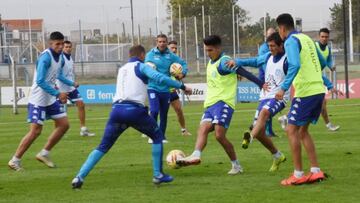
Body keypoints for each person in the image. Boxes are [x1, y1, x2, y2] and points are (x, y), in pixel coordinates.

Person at [71, 45, 192, 189]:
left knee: (103, 147)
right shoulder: (141, 66)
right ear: (142, 55)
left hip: (116, 111)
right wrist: (182, 86)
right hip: (134, 111)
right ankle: (158, 174)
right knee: (158, 137)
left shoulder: (122, 69)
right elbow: (159, 77)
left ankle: (79, 177)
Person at [176, 35, 265, 175]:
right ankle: (196, 155)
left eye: (210, 50)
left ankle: (236, 165)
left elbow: (243, 71)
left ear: (218, 48)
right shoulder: (211, 62)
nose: (207, 53)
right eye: (206, 50)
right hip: (210, 104)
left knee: (219, 135)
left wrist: (261, 84)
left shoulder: (224, 62)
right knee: (203, 128)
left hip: (224, 103)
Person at [275, 13, 341, 186]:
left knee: (291, 130)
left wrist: (283, 87)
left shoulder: (290, 41)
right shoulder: (307, 39)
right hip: (318, 90)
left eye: (278, 30)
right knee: (303, 132)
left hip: (305, 93)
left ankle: (297, 174)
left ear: (282, 28)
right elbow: (320, 62)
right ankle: (315, 171)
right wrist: (326, 83)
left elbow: (295, 65)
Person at [8, 31, 77, 171]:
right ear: (50, 44)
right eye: (57, 44)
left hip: (50, 98)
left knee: (64, 124)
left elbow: (57, 75)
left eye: (62, 43)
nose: (60, 46)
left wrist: (69, 84)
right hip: (38, 99)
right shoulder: (45, 58)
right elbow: (40, 81)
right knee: (35, 132)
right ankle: (15, 160)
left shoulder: (61, 58)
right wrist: (58, 93)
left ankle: (44, 153)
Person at [228, 32, 288, 172]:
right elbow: (254, 61)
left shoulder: (287, 59)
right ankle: (277, 155)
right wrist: (237, 61)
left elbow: (295, 72)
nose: (271, 48)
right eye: (269, 46)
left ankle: (250, 136)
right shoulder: (267, 57)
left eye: (273, 46)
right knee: (261, 132)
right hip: (265, 96)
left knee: (265, 113)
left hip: (279, 97)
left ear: (281, 45)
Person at [277, 28, 341, 131]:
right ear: (319, 37)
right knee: (296, 129)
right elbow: (295, 64)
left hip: (314, 79)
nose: (324, 39)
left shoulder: (327, 49)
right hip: (306, 82)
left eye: (326, 37)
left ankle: (286, 118)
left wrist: (330, 66)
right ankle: (328, 124)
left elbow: (326, 62)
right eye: (322, 36)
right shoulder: (311, 44)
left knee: (301, 130)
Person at [146, 34, 188, 143]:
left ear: (166, 42)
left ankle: (161, 136)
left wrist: (182, 73)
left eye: (164, 41)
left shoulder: (170, 55)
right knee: (154, 111)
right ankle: (152, 135)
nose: (162, 43)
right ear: (157, 42)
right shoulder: (150, 55)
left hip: (165, 89)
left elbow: (183, 63)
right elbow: (146, 68)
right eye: (160, 41)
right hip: (153, 87)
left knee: (164, 114)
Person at [57, 40, 95, 136]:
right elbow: (58, 76)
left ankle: (83, 129)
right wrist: (72, 83)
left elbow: (69, 73)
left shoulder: (70, 58)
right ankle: (59, 132)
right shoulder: (61, 59)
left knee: (81, 104)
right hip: (61, 88)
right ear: (63, 48)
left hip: (70, 87)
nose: (68, 48)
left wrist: (72, 82)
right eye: (66, 47)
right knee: (59, 112)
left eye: (70, 47)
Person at [167, 40, 192, 136]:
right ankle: (148, 131)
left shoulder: (176, 61)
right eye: (172, 48)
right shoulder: (162, 59)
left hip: (171, 90)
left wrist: (181, 81)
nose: (174, 50)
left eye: (175, 48)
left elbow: (178, 74)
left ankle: (184, 130)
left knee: (179, 110)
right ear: (167, 48)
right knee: (156, 112)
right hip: (161, 90)